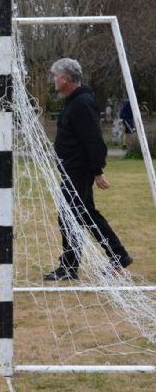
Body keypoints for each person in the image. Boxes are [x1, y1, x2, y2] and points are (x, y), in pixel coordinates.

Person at [43, 58, 133, 280]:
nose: (54, 80)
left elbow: (93, 139)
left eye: (56, 76)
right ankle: (113, 256)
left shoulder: (82, 103)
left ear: (64, 79)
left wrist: (97, 170)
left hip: (79, 170)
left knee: (71, 215)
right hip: (71, 169)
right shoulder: (73, 101)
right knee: (82, 214)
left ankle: (75, 265)